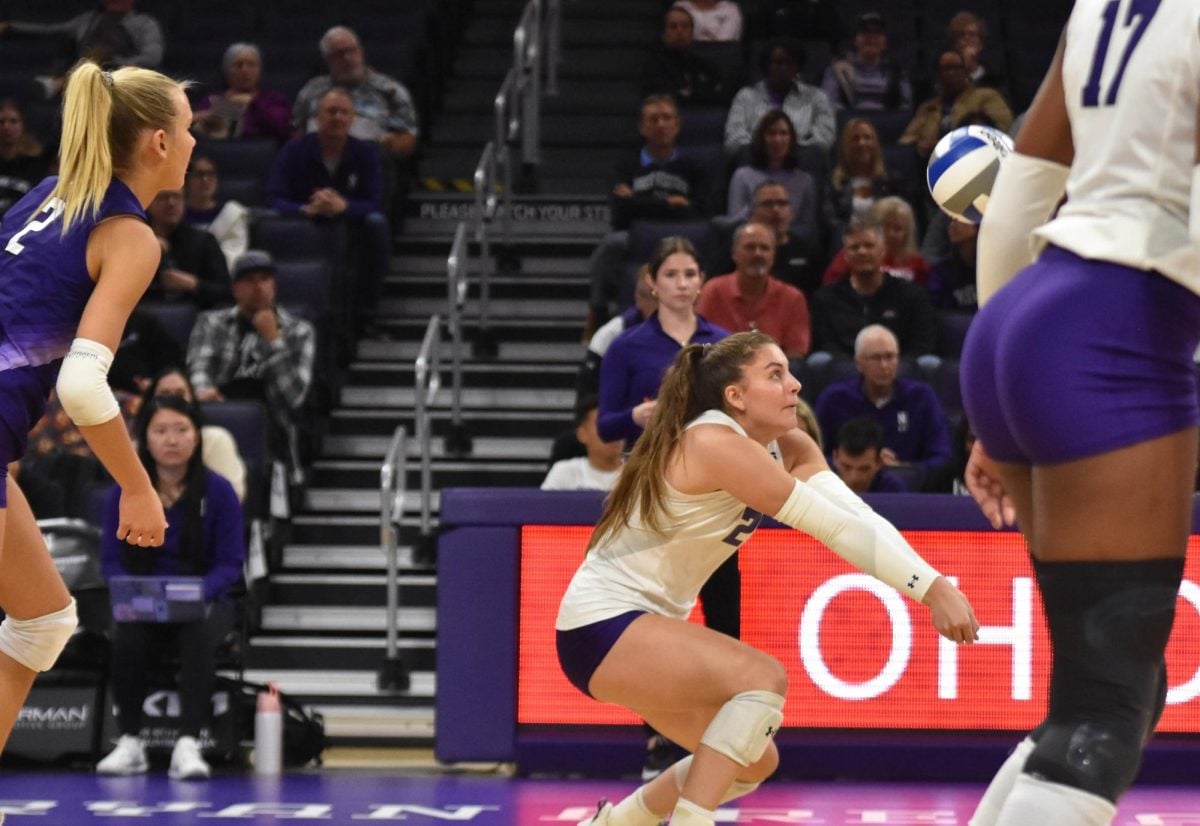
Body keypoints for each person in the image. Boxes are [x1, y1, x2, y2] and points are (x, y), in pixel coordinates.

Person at [562, 331, 978, 826]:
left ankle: (612, 823)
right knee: (763, 678)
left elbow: (858, 516)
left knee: (751, 759)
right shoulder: (713, 441)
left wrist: (933, 582)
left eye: (789, 371)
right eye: (775, 374)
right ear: (735, 396)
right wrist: (932, 589)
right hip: (603, 624)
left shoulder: (791, 446)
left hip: (634, 631)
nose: (795, 385)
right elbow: (835, 530)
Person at [960, 4, 1200, 824]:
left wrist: (1002, 399)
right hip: (1118, 328)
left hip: (1026, 317)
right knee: (1104, 711)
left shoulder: (1102, 6)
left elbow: (1025, 185)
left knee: (1110, 689)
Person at [0, 59, 187, 756]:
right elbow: (82, 386)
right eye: (190, 131)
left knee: (44, 620)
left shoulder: (47, 194)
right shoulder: (129, 234)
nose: (197, 145)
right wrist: (139, 491)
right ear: (159, 144)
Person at [95, 395, 245, 780]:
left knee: (197, 631)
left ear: (197, 437)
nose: (172, 439)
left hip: (204, 598)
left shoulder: (220, 492)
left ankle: (188, 743)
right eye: (160, 430)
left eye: (181, 429)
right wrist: (131, 592)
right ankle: (130, 741)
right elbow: (111, 561)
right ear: (145, 438)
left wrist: (197, 593)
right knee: (126, 633)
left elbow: (230, 564)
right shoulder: (124, 493)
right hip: (143, 600)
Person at [187, 249, 315, 491]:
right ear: (235, 288)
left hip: (273, 425)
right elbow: (199, 369)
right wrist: (204, 392)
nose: (258, 287)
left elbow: (295, 398)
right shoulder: (211, 323)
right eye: (249, 280)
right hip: (221, 412)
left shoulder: (300, 331)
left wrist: (273, 340)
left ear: (274, 286)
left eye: (264, 279)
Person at [267, 86, 389, 336]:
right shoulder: (295, 149)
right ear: (317, 118)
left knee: (377, 223)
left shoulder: (365, 152)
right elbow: (273, 197)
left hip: (350, 223)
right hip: (304, 221)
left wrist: (345, 206)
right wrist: (304, 208)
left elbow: (375, 201)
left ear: (352, 119)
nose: (338, 118)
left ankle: (367, 313)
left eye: (344, 113)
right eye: (331, 111)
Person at [815, 325, 950, 481]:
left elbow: (941, 456)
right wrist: (856, 463)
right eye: (876, 358)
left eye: (890, 357)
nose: (884, 365)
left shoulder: (921, 397)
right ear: (858, 363)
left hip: (907, 491)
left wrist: (905, 468)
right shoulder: (834, 398)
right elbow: (813, 455)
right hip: (846, 486)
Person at [809, 218, 937, 360]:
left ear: (883, 251)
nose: (862, 252)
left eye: (869, 245)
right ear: (845, 255)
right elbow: (825, 345)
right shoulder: (825, 299)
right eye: (854, 247)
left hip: (899, 370)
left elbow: (921, 346)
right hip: (845, 371)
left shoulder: (912, 295)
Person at [291, 26, 419, 160]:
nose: (347, 58)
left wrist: (386, 143)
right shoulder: (312, 90)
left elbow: (408, 140)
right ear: (327, 60)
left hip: (371, 164)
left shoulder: (390, 90)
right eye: (338, 54)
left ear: (361, 52)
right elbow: (296, 132)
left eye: (351, 50)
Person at [0, 0, 164, 98]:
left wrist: (118, 64)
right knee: (94, 54)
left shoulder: (145, 24)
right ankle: (68, 82)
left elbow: (152, 56)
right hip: (87, 77)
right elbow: (50, 29)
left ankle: (59, 83)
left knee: (100, 53)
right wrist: (11, 27)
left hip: (122, 80)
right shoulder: (88, 20)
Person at [696, 222, 811, 358]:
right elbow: (699, 343)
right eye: (750, 247)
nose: (758, 254)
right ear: (734, 254)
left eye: (764, 248)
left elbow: (796, 352)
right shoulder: (713, 291)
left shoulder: (793, 297)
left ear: (773, 256)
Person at [137, 367, 247, 503]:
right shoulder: (133, 445)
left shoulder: (216, 439)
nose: (173, 400)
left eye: (180, 394)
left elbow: (233, 500)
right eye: (164, 394)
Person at [724, 38, 836, 155]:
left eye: (790, 63)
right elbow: (733, 139)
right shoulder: (745, 96)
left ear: (798, 67)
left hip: (801, 163)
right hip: (755, 163)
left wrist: (788, 151)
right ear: (767, 65)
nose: (784, 68)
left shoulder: (817, 97)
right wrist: (765, 152)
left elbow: (824, 139)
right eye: (778, 62)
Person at [899, 50, 1013, 160]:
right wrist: (919, 145)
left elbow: (1003, 128)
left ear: (965, 72)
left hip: (975, 158)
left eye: (956, 68)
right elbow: (906, 139)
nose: (951, 73)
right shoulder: (928, 108)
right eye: (946, 69)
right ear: (938, 74)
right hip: (933, 162)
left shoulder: (987, 96)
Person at [725, 110, 820, 231]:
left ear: (791, 139)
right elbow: (733, 223)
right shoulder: (742, 176)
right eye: (771, 133)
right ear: (761, 138)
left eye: (783, 133)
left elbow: (806, 229)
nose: (777, 140)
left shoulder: (805, 181)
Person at [145, 187, 232, 309]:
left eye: (177, 197)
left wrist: (194, 284)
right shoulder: (132, 242)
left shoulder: (204, 241)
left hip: (196, 317)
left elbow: (227, 292)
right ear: (148, 203)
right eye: (162, 197)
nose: (171, 202)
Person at [191, 42, 291, 144]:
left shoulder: (273, 99)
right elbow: (196, 130)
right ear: (227, 70)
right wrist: (217, 111)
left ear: (259, 70)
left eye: (251, 65)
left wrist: (253, 103)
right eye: (238, 65)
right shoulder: (212, 100)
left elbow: (282, 129)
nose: (245, 70)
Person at [827, 117, 906, 239]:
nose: (862, 143)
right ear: (846, 146)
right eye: (855, 138)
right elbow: (831, 224)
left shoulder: (891, 182)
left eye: (867, 138)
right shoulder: (835, 184)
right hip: (847, 244)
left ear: (875, 143)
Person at [823, 196, 929, 285]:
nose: (890, 234)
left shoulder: (918, 265)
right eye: (885, 227)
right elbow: (830, 285)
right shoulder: (855, 254)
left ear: (907, 233)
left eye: (897, 229)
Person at [820, 12, 912, 111]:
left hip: (889, 125)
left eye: (877, 32)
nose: (871, 39)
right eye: (865, 32)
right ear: (855, 40)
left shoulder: (897, 73)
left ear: (885, 42)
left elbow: (905, 108)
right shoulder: (836, 71)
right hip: (848, 124)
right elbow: (829, 107)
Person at [640, 5, 730, 107]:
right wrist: (698, 94)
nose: (679, 31)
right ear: (664, 34)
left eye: (685, 26)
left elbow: (720, 92)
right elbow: (664, 98)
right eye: (673, 26)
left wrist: (689, 94)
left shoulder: (702, 65)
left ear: (692, 33)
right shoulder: (653, 66)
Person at [541, 396, 624, 492]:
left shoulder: (640, 474)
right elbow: (543, 505)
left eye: (617, 424)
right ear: (582, 434)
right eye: (603, 425)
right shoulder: (564, 472)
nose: (613, 432)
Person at [183, 155, 249, 271]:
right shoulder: (175, 215)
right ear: (186, 180)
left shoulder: (232, 214)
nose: (205, 179)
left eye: (210, 174)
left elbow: (234, 255)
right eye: (199, 174)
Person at [0, 99, 50, 219]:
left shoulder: (37, 165)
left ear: (23, 126)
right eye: (1, 122)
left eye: (13, 121)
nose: (6, 127)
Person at [831, 416, 905, 493]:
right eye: (846, 467)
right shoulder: (821, 485)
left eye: (864, 469)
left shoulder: (893, 489)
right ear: (835, 458)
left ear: (879, 462)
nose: (854, 478)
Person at [672, 0, 743, 42]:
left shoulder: (730, 10)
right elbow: (677, 37)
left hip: (719, 58)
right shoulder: (680, 6)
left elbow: (723, 43)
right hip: (685, 57)